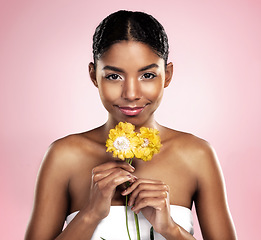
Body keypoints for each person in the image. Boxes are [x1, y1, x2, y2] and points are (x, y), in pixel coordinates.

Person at [25, 10, 237, 240]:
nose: (131, 94)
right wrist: (90, 214)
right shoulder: (64, 156)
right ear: (94, 75)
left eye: (147, 75)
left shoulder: (197, 155)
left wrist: (170, 229)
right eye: (114, 77)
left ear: (167, 75)